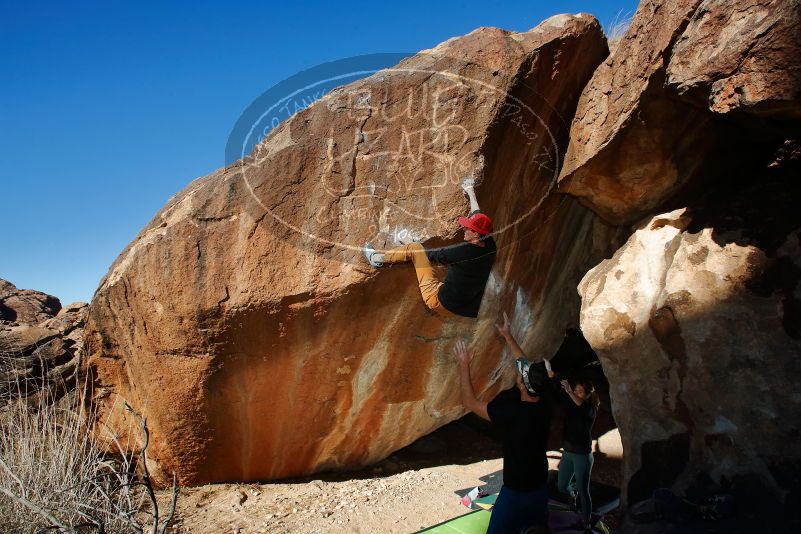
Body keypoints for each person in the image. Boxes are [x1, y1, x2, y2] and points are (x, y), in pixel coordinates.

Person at [495, 312, 599, 532]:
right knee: (561, 486)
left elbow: (578, 402)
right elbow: (524, 363)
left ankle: (586, 520)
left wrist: (565, 387)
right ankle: (570, 501)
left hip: (580, 455)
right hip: (565, 456)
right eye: (577, 389)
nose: (578, 393)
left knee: (584, 488)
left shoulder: (588, 407)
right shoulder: (548, 400)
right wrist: (507, 334)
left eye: (582, 391)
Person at [452, 339, 551, 533]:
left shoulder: (512, 415)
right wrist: (507, 335)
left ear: (521, 384)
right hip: (539, 486)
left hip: (516, 492)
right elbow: (527, 368)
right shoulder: (546, 400)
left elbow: (469, 402)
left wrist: (464, 364)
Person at [363, 179, 496, 318]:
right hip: (466, 307)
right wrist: (470, 190)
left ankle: (376, 258)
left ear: (475, 234)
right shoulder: (489, 244)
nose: (463, 228)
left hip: (438, 301)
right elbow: (477, 213)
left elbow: (432, 255)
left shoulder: (462, 252)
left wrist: (411, 243)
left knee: (414, 248)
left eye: (467, 228)